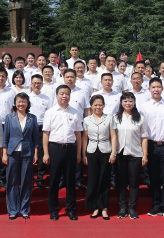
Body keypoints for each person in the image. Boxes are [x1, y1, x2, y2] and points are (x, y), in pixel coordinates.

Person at [140, 78, 164, 220]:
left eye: (158, 87)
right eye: (153, 87)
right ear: (149, 89)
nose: (156, 89)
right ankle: (157, 205)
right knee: (154, 177)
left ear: (162, 88)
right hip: (151, 145)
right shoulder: (144, 106)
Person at [43, 85, 82, 221]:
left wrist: (79, 153)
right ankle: (53, 210)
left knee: (71, 181)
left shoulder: (75, 112)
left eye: (67, 94)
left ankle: (71, 209)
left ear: (70, 96)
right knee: (54, 180)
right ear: (57, 95)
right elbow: (46, 134)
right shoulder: (50, 112)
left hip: (71, 148)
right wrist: (46, 153)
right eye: (61, 93)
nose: (64, 96)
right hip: (55, 148)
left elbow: (78, 134)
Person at [1, 93, 39, 219]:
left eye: (24, 101)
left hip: (27, 152)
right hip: (12, 153)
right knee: (12, 181)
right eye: (19, 101)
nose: (21, 104)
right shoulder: (9, 117)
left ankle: (24, 209)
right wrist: (4, 154)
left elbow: (35, 137)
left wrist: (36, 153)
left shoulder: (32, 118)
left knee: (26, 181)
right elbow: (5, 137)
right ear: (15, 103)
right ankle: (12, 209)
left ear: (27, 103)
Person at [82, 94, 117, 219]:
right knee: (93, 180)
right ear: (91, 106)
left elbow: (113, 136)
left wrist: (113, 153)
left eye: (100, 105)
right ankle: (95, 207)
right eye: (95, 105)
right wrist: (83, 154)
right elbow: (84, 138)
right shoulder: (87, 120)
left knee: (104, 180)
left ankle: (104, 208)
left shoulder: (109, 118)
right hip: (92, 151)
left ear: (104, 105)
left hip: (105, 150)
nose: (98, 107)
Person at [115, 92, 148, 219]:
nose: (128, 103)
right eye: (125, 101)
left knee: (134, 183)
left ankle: (132, 209)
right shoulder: (116, 118)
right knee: (121, 182)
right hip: (120, 153)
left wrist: (145, 155)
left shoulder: (140, 118)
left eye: (130, 101)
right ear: (121, 103)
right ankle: (122, 208)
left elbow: (144, 138)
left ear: (134, 103)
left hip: (135, 154)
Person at [27, 74, 52, 189]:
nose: (36, 85)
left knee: (41, 153)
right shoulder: (27, 97)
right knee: (29, 153)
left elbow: (50, 114)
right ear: (31, 84)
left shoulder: (47, 98)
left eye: (39, 83)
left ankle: (40, 178)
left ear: (42, 85)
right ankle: (30, 179)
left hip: (42, 128)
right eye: (34, 83)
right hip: (28, 127)